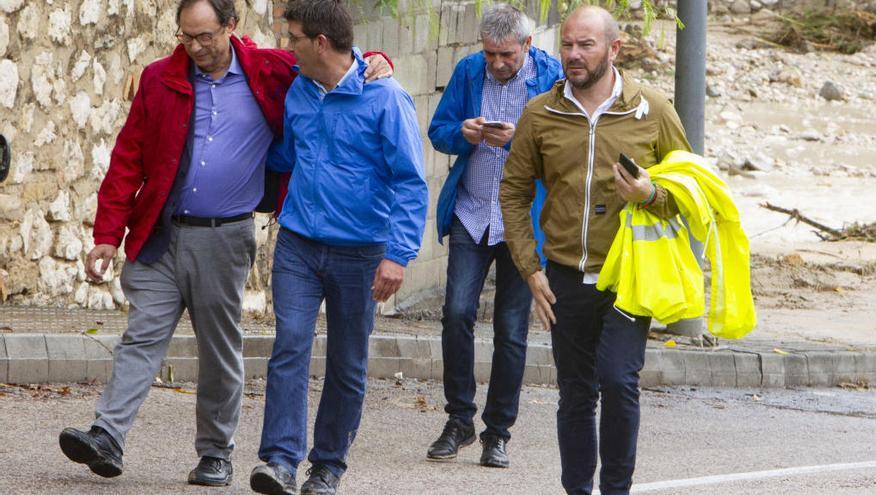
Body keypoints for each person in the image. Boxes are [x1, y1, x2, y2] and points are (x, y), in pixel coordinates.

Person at [58, 0, 390, 487]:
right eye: (186, 37)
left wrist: (380, 59)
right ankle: (107, 433)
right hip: (161, 232)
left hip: (225, 235)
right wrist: (108, 235)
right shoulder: (159, 78)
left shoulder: (270, 70)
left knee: (218, 349)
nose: (195, 47)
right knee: (143, 334)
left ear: (231, 27)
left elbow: (335, 58)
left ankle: (216, 453)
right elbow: (128, 155)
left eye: (205, 37)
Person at [499, 6, 691, 495]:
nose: (573, 55)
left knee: (618, 379)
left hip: (628, 276)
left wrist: (651, 196)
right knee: (576, 393)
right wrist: (529, 268)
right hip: (562, 275)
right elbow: (514, 191)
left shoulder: (651, 109)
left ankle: (617, 489)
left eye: (586, 45)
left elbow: (690, 193)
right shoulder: (540, 112)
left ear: (614, 48)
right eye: (567, 44)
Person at [247, 1, 427, 494]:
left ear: (320, 43)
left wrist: (398, 254)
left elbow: (411, 183)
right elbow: (283, 150)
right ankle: (281, 461)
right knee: (289, 347)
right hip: (299, 246)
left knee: (347, 362)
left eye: (295, 39)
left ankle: (327, 466)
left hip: (361, 254)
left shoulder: (387, 98)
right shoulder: (300, 92)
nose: (288, 47)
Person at [425, 4, 562, 468]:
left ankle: (497, 432)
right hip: (471, 212)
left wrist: (518, 136)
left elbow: (567, 145)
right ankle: (459, 420)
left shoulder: (552, 78)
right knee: (457, 312)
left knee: (510, 330)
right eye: (490, 54)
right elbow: (438, 132)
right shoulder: (468, 72)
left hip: (523, 222)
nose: (497, 63)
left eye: (506, 54)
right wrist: (465, 134)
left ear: (527, 45)